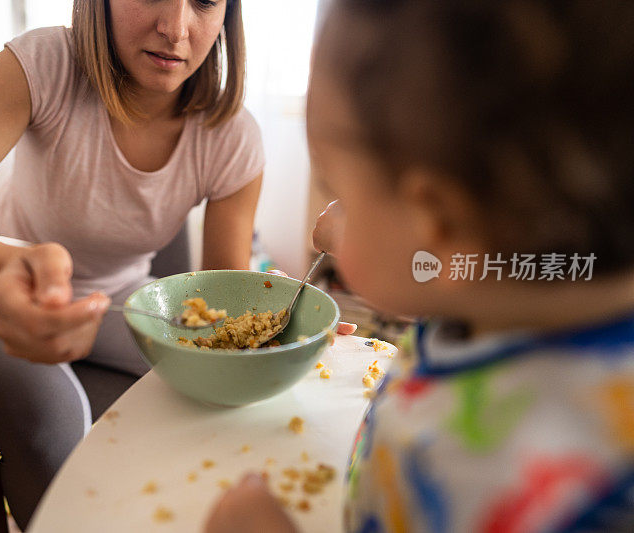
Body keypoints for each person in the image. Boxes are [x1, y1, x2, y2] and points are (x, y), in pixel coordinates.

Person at [205, 0, 634, 531]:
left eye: (341, 195)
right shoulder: (502, 287)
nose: (327, 221)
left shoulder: (536, 486)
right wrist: (364, 234)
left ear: (439, 220)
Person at [0, 0, 264, 527]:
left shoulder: (233, 136)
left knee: (228, 395)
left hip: (120, 300)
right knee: (53, 422)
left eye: (204, 1)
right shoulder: (48, 61)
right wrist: (6, 268)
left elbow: (230, 310)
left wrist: (294, 327)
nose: (175, 28)